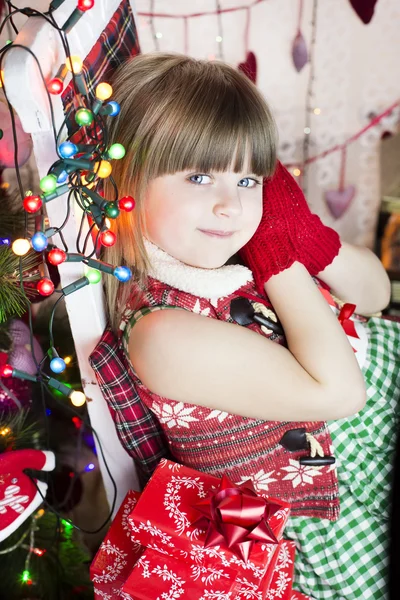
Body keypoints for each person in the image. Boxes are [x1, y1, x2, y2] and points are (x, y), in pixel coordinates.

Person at [97, 52, 400, 600]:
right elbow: (338, 392)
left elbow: (378, 296)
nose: (229, 206)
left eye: (248, 179)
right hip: (327, 512)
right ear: (128, 180)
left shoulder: (237, 253)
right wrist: (280, 257)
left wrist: (304, 236)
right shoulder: (161, 332)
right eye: (198, 175)